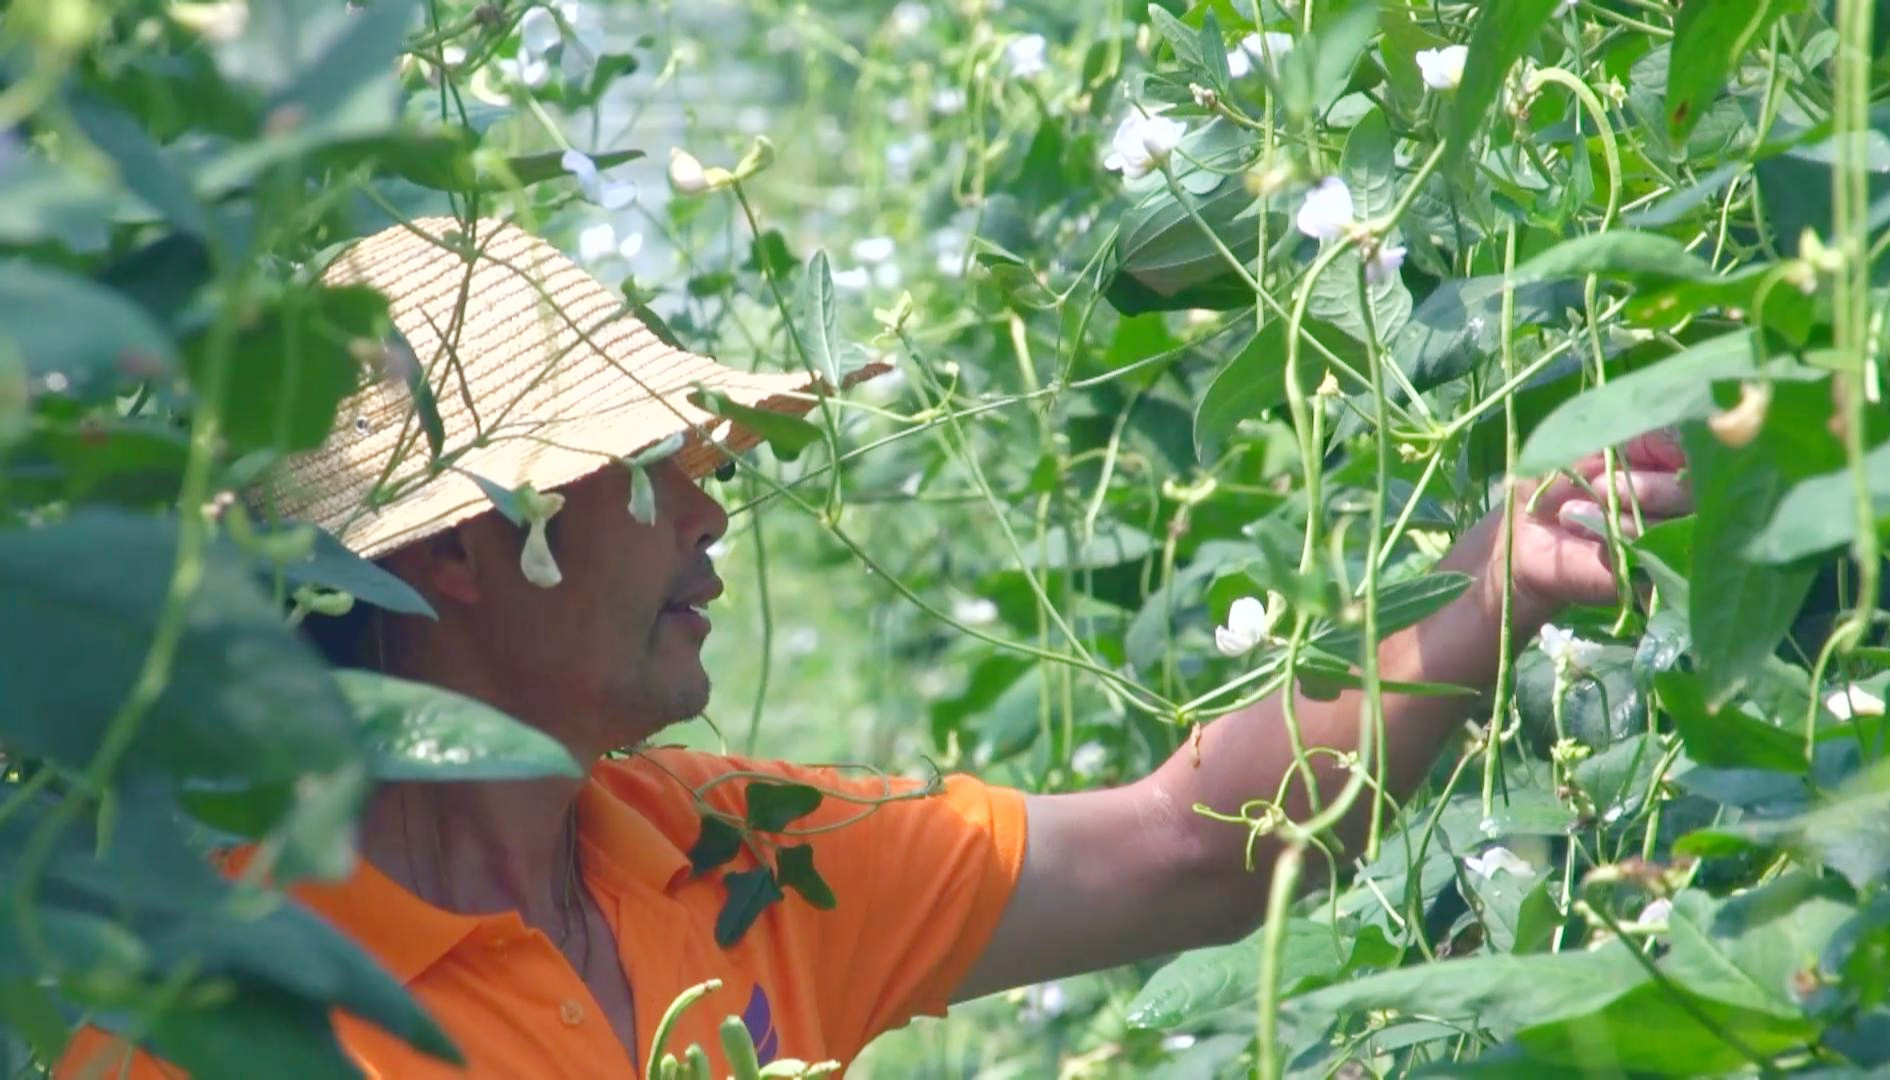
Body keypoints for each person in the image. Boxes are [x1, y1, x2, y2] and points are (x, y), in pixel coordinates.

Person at [57, 217, 1690, 1078]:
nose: (713, 512)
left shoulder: (723, 856)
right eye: (653, 473)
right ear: (473, 544)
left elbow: (1184, 849)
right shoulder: (201, 1012)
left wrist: (1490, 599)